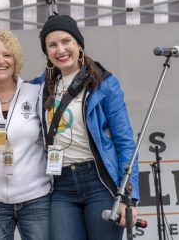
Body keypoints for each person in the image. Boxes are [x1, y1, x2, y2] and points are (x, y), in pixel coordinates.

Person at [38, 14, 139, 240]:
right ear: (46, 52)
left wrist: (128, 198)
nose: (60, 49)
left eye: (66, 41)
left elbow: (125, 142)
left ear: (79, 44)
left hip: (99, 182)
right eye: (52, 45)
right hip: (61, 185)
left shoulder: (104, 83)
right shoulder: (42, 86)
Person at [0, 30, 51, 240]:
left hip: (36, 198)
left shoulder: (36, 93)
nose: (1, 61)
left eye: (7, 55)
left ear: (15, 60)